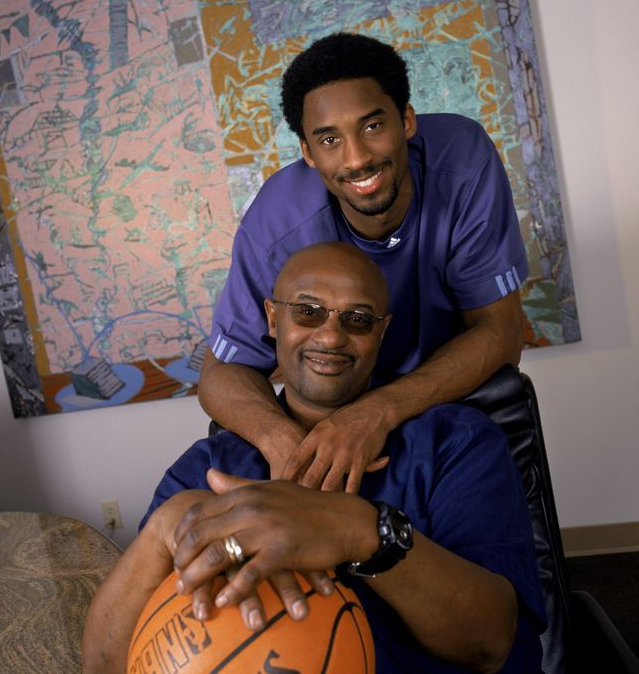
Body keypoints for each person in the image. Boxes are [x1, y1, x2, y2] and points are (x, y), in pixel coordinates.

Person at [83, 243, 545, 674]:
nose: (331, 335)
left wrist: (360, 530)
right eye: (308, 312)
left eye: (358, 319)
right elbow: (105, 664)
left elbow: (491, 641)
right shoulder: (207, 469)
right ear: (272, 319)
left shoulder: (455, 443)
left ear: (381, 333)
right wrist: (165, 528)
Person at [200, 32, 529, 494]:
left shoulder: (464, 158)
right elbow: (219, 374)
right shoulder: (275, 222)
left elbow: (502, 332)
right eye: (329, 139)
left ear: (407, 120)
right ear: (308, 153)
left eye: (372, 127)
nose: (356, 159)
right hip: (324, 423)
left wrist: (376, 412)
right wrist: (287, 445)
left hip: (441, 406)